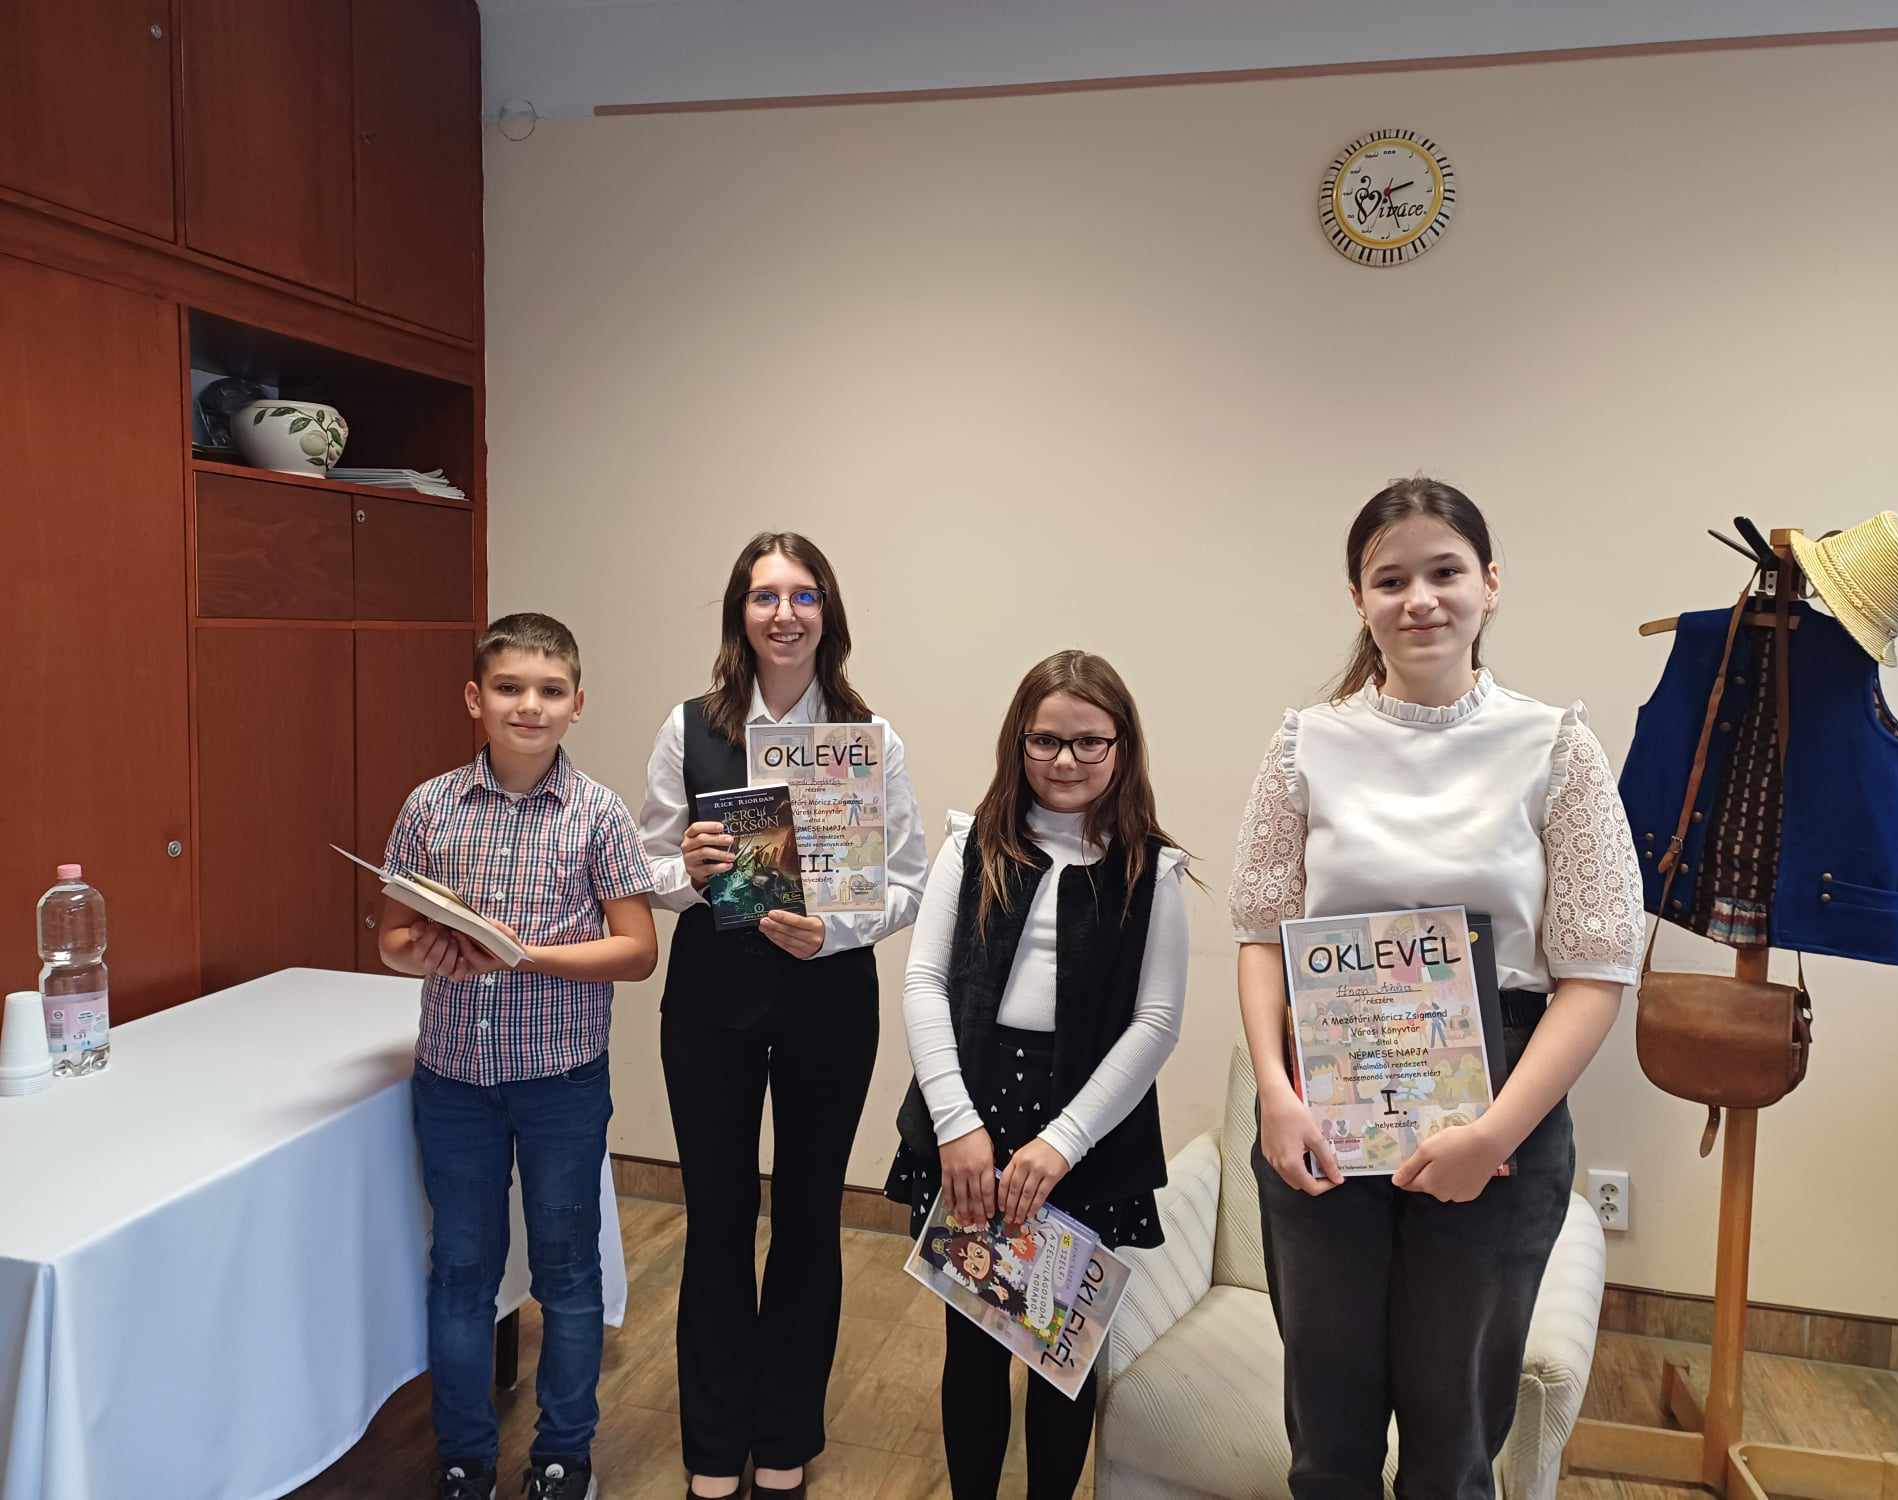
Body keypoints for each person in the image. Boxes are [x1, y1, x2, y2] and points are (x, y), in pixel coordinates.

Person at [1228, 479, 1645, 1499]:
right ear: (1358, 599)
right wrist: (1275, 1094)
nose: (1419, 599)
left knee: (1454, 1445)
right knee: (1326, 1432)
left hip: (1500, 1107)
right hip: (1325, 1103)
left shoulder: (1554, 743)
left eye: (1444, 571)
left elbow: (1595, 972)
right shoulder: (1303, 742)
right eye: (1390, 579)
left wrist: (1491, 1135)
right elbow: (1260, 935)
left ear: (1489, 583)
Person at [639, 533, 927, 1500]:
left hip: (827, 1000)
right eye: (765, 596)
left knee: (808, 1219)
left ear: (827, 614)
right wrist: (687, 870)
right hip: (710, 1003)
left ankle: (785, 1439)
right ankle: (713, 1447)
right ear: (741, 613)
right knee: (717, 1219)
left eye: (804, 596)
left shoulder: (870, 738)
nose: (785, 614)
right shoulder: (688, 728)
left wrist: (836, 930)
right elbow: (646, 867)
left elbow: (909, 882)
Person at [886, 649, 1192, 1500]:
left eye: (1090, 742)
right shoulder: (971, 844)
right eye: (1045, 740)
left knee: (1063, 1357)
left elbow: (1156, 1024)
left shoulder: (1153, 869)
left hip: (1084, 1132)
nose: (1066, 760)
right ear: (1018, 743)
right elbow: (924, 984)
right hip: (972, 1116)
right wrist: (956, 1125)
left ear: (1122, 748)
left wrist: (1062, 1142)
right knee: (974, 1346)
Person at [379, 611, 660, 1500]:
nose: (528, 706)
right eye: (508, 688)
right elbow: (392, 939)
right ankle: (464, 1458)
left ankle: (562, 1456)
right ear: (475, 699)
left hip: (561, 1082)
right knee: (461, 1271)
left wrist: (524, 956)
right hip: (454, 1081)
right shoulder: (429, 806)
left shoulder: (599, 814)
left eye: (549, 690)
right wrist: (422, 951)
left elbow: (637, 952)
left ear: (578, 704)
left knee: (566, 1273)